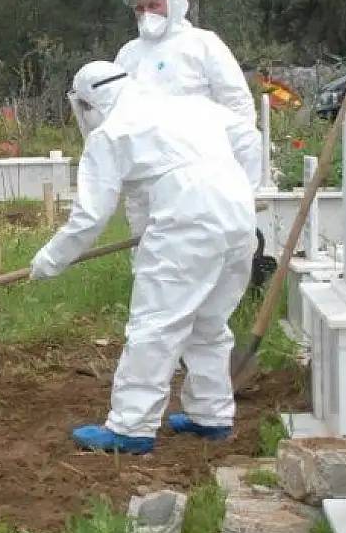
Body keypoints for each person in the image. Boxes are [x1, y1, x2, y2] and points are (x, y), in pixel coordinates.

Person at [31, 61, 258, 454]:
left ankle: (131, 427)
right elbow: (248, 137)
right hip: (238, 213)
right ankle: (211, 415)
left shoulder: (112, 133)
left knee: (156, 325)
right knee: (209, 322)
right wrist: (242, 189)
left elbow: (90, 216)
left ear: (87, 103)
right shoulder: (187, 106)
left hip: (187, 221)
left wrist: (50, 259)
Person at [114, 0, 258, 239]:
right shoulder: (128, 55)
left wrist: (239, 169)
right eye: (140, 8)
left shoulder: (203, 44)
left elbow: (237, 103)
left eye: (154, 4)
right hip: (148, 171)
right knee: (150, 248)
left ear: (174, 1)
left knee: (199, 242)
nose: (147, 14)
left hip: (200, 168)